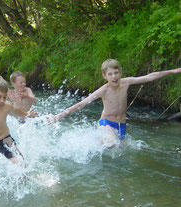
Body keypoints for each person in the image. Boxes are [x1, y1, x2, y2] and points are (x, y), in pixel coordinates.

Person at [51, 59, 181, 145]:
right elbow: (81, 104)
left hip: (121, 124)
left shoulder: (126, 82)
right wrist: (59, 116)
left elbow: (149, 77)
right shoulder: (103, 90)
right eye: (110, 74)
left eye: (116, 73)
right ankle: (98, 140)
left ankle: (96, 141)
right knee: (111, 143)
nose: (114, 77)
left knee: (120, 152)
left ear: (120, 73)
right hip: (106, 123)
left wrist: (173, 71)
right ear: (104, 76)